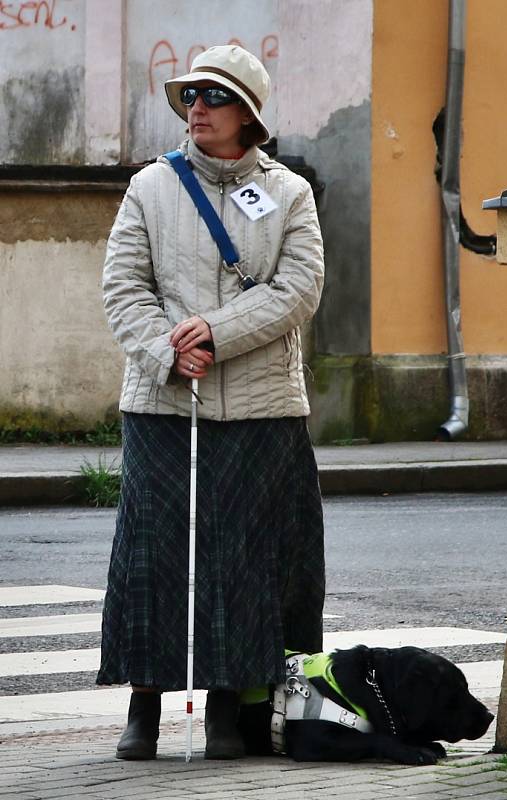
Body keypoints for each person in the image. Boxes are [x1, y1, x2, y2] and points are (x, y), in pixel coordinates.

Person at [97, 44, 325, 761]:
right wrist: (170, 348)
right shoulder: (149, 187)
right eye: (190, 94)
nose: (195, 106)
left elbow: (298, 292)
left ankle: (230, 709)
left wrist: (215, 334)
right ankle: (144, 708)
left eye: (212, 96)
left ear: (247, 115)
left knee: (247, 560)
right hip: (163, 407)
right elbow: (123, 288)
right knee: (153, 554)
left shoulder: (289, 192)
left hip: (262, 411)